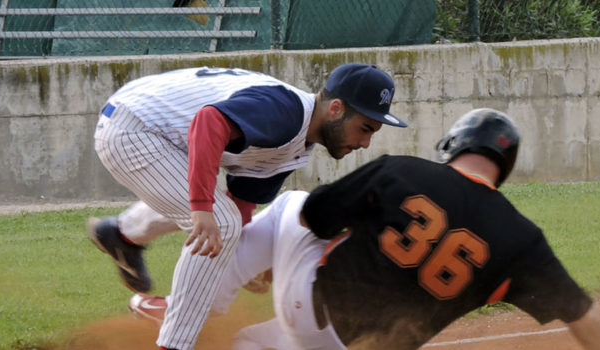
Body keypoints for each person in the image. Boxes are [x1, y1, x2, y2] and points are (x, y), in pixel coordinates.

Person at [130, 108, 600, 349]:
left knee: (290, 205)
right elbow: (585, 316)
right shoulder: (522, 240)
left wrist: (276, 268)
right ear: (504, 167)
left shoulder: (406, 172)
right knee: (249, 345)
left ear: (455, 143)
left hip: (310, 304)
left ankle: (191, 307)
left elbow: (314, 219)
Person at [86, 63, 407, 350]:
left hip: (152, 128)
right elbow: (208, 122)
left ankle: (121, 235)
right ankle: (174, 343)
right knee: (218, 221)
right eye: (366, 128)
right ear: (336, 108)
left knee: (225, 221)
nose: (366, 143)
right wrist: (200, 209)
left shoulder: (298, 146)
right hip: (135, 128)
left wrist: (246, 260)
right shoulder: (287, 112)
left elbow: (241, 205)